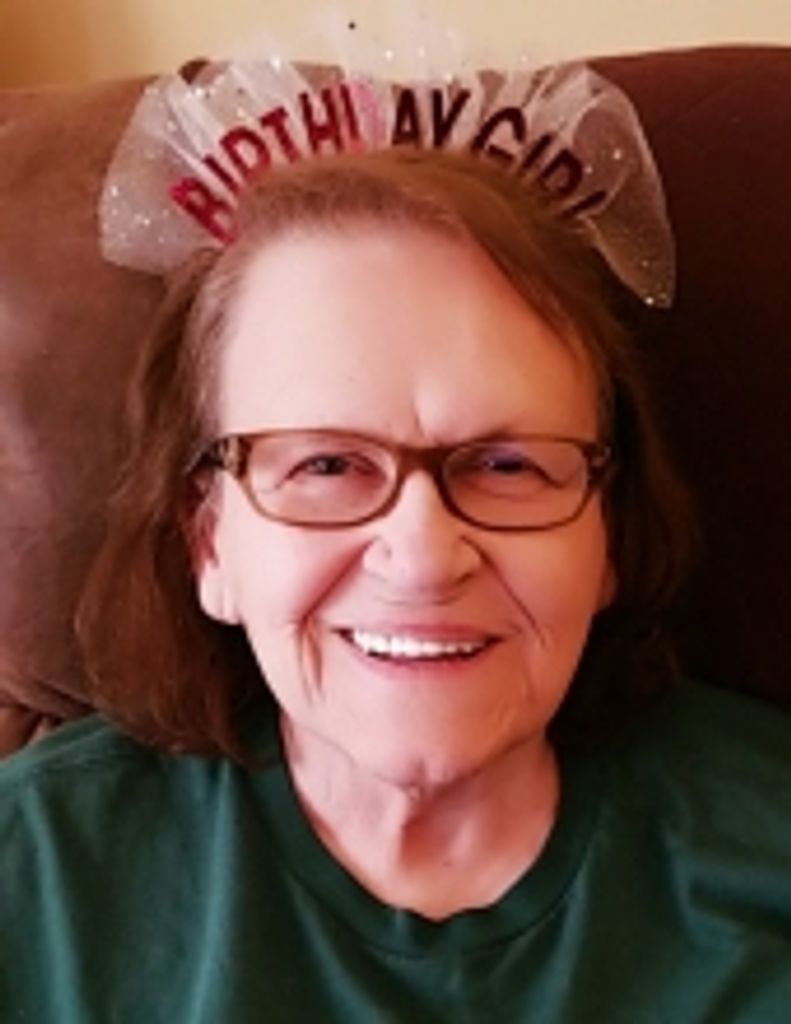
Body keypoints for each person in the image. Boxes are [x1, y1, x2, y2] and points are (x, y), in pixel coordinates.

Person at [1, 145, 790, 1023]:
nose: (422, 558)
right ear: (209, 541)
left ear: (607, 534)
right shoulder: (30, 876)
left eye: (506, 465)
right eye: (326, 465)